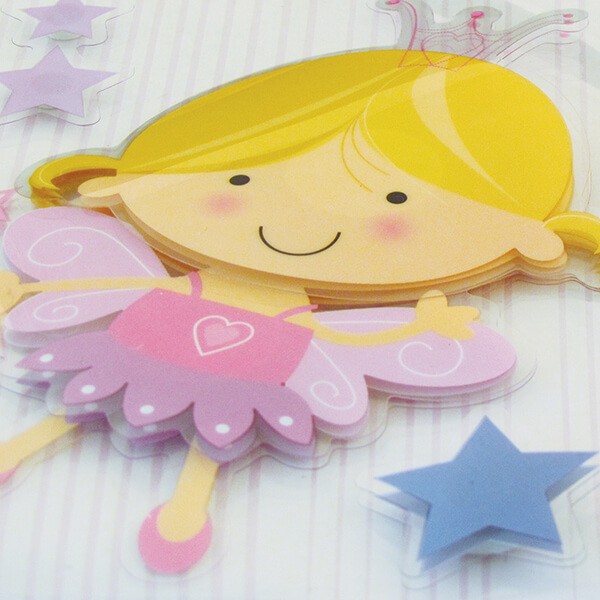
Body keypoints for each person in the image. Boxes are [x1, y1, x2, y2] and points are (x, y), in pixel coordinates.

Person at [0, 49, 594, 572]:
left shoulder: (323, 309)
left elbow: (359, 344)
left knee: (215, 435)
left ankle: (185, 510)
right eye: (240, 178)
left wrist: (427, 325)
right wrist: (24, 292)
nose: (299, 222)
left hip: (244, 376)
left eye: (395, 199)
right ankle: (18, 451)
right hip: (143, 341)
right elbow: (116, 281)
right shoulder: (167, 259)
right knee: (83, 398)